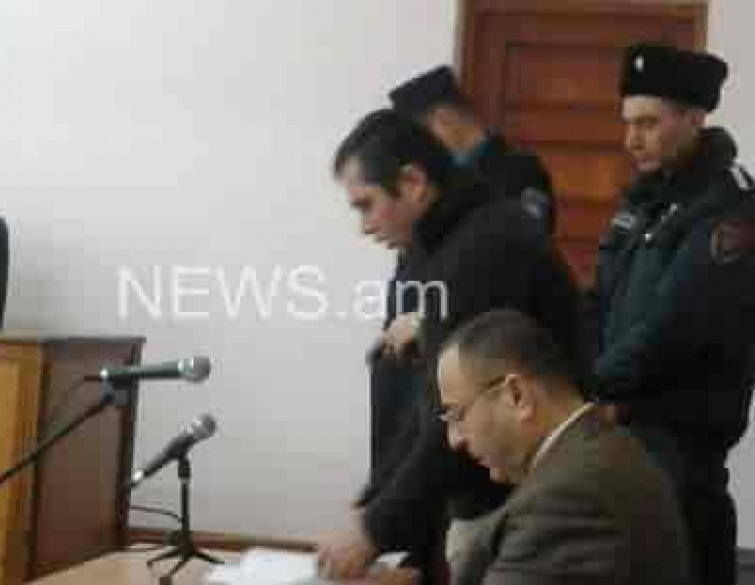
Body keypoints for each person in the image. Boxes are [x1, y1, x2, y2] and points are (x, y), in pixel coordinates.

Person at [316, 109, 583, 582]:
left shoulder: (485, 247)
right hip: (472, 492)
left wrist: (375, 528)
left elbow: (459, 416)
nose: (364, 226)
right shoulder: (432, 242)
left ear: (413, 182)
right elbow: (423, 401)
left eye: (366, 205)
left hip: (518, 499)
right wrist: (376, 500)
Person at [592, 43, 755, 585]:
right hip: (622, 425)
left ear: (694, 118)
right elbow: (599, 298)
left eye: (648, 123)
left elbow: (673, 328)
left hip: (680, 441)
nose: (630, 140)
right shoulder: (645, 199)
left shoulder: (729, 209)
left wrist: (589, 389)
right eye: (627, 123)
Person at [437, 309, 692, 585]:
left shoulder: (568, 499)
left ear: (516, 396)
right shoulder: (596, 451)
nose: (454, 439)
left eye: (458, 414)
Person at [389, 65, 555, 234]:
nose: (420, 149)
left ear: (443, 120)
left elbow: (528, 237)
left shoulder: (520, 170)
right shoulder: (444, 178)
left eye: (421, 137)